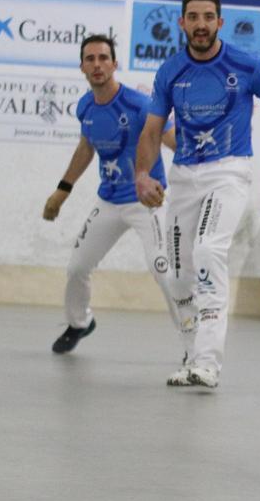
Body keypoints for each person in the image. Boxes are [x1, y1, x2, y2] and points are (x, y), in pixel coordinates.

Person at [135, 0, 260, 389]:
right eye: (193, 18)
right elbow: (150, 131)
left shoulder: (246, 64)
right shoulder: (170, 71)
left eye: (208, 17)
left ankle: (209, 363)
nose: (201, 25)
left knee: (207, 251)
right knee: (178, 275)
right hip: (184, 176)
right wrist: (143, 174)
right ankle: (192, 352)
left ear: (220, 22)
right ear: (182, 23)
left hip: (229, 172)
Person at [44, 34, 196, 363]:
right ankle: (79, 322)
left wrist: (198, 177)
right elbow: (87, 147)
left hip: (148, 202)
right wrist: (63, 189)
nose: (97, 64)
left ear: (115, 64)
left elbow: (170, 140)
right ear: (82, 66)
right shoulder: (84, 106)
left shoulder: (139, 104)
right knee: (77, 268)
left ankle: (194, 346)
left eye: (103, 58)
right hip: (109, 201)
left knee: (163, 270)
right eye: (90, 59)